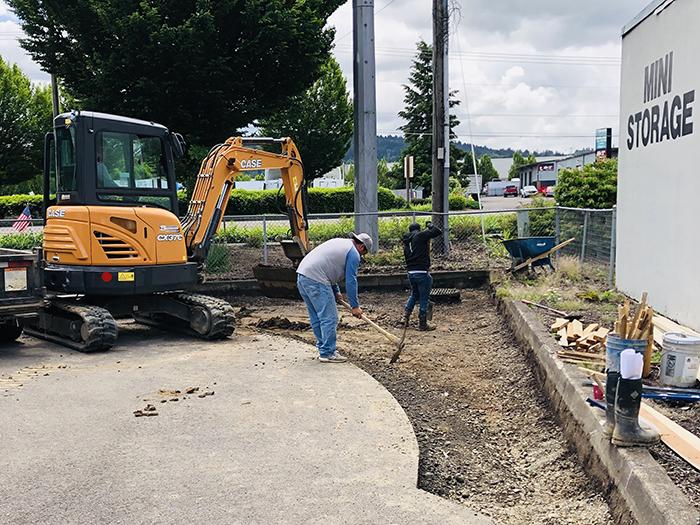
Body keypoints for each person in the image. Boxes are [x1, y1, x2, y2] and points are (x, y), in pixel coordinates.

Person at [296, 232, 373, 363]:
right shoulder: (354, 253)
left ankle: (324, 349)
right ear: (362, 247)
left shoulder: (341, 242)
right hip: (317, 280)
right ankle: (328, 352)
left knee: (317, 316)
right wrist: (355, 306)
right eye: (363, 253)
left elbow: (329, 267)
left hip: (302, 276)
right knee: (330, 318)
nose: (361, 256)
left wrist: (336, 290)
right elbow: (351, 280)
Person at [402, 221, 442, 331]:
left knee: (414, 294)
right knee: (424, 297)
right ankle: (423, 323)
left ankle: (405, 317)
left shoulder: (406, 240)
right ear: (418, 230)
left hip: (411, 273)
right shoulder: (419, 235)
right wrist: (430, 225)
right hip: (422, 273)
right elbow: (437, 231)